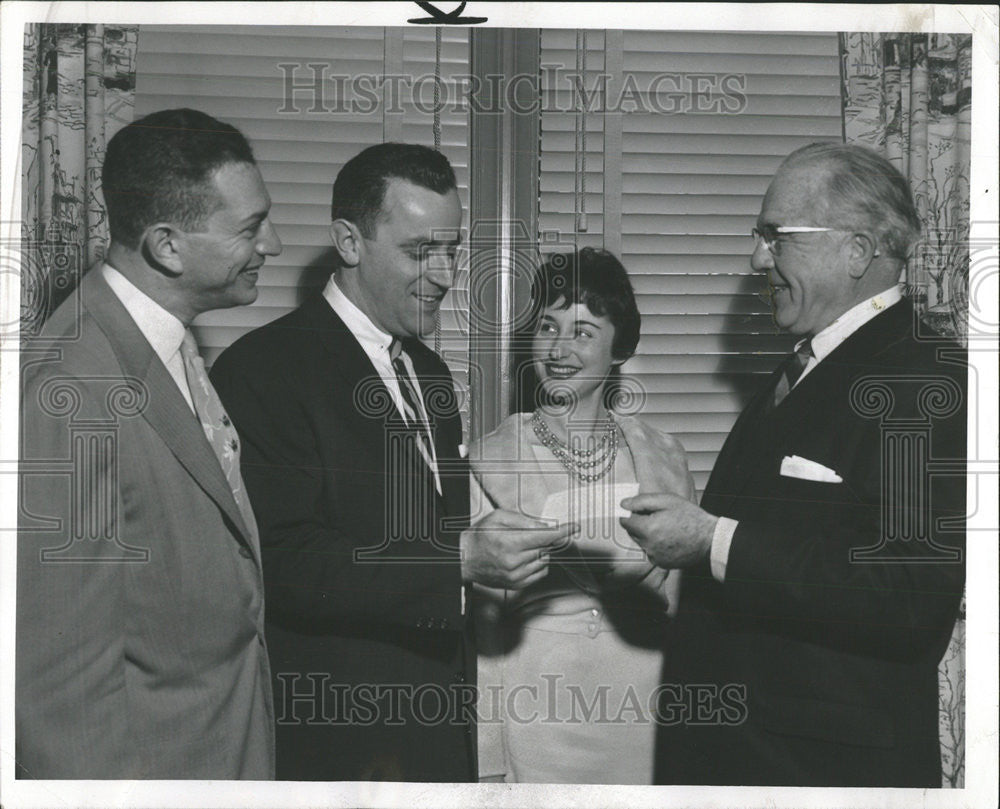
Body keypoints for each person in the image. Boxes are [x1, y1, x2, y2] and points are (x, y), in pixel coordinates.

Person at [210, 142, 574, 782]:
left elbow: (431, 538)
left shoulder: (430, 373)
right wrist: (461, 559)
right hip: (338, 742)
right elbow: (284, 561)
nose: (443, 275)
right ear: (349, 242)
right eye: (418, 252)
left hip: (437, 729)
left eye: (452, 251)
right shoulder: (263, 369)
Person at [621, 142, 967, 787]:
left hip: (822, 770)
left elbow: (909, 593)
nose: (757, 259)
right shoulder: (806, 367)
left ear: (858, 251)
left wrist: (710, 540)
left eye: (777, 238)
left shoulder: (926, 378)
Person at [16, 108, 282, 779]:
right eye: (250, 228)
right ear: (167, 246)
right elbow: (60, 694)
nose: (272, 244)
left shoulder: (165, 339)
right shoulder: (71, 389)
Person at [470, 247, 695, 784]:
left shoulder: (664, 455)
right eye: (548, 326)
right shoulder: (487, 459)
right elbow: (481, 635)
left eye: (583, 331)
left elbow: (684, 608)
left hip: (645, 706)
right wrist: (487, 759)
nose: (558, 348)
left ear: (619, 350)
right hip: (536, 711)